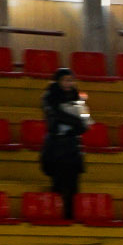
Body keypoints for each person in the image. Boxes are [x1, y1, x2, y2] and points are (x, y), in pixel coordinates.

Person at [39, 68, 90, 219]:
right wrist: (75, 121)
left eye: (71, 80)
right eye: (66, 80)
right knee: (58, 184)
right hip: (57, 146)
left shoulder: (77, 97)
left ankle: (70, 217)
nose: (69, 83)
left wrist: (76, 123)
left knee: (73, 186)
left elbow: (85, 122)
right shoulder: (49, 97)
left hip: (72, 146)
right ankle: (55, 217)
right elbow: (55, 116)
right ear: (58, 81)